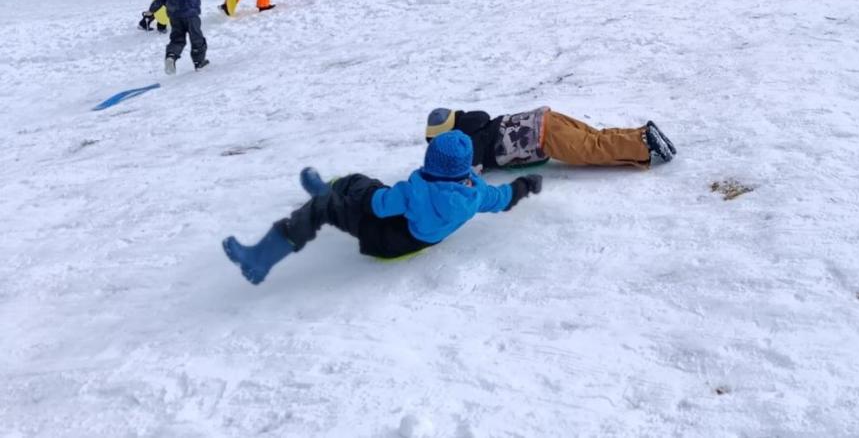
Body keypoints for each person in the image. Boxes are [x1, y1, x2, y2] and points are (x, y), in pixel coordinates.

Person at [221, 131, 542, 286]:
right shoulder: (477, 193)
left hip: (386, 238)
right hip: (419, 238)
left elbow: (378, 206)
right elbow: (503, 197)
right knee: (363, 182)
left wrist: (347, 202)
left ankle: (260, 260)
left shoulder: (416, 191)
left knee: (338, 199)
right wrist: (525, 185)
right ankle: (332, 192)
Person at [425, 106, 676, 170]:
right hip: (547, 119)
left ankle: (644, 144)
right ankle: (641, 133)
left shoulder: (469, 145)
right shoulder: (479, 121)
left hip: (543, 137)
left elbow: (465, 174)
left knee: (591, 149)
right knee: (594, 137)